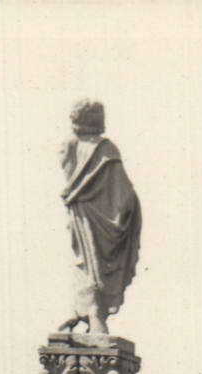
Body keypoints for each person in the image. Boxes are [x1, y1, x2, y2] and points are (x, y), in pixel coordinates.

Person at [57, 100, 141, 334]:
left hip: (81, 215)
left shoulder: (68, 146)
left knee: (84, 261)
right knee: (94, 264)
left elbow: (72, 178)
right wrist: (129, 212)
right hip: (100, 218)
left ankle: (84, 309)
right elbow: (124, 196)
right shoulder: (107, 150)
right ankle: (92, 312)